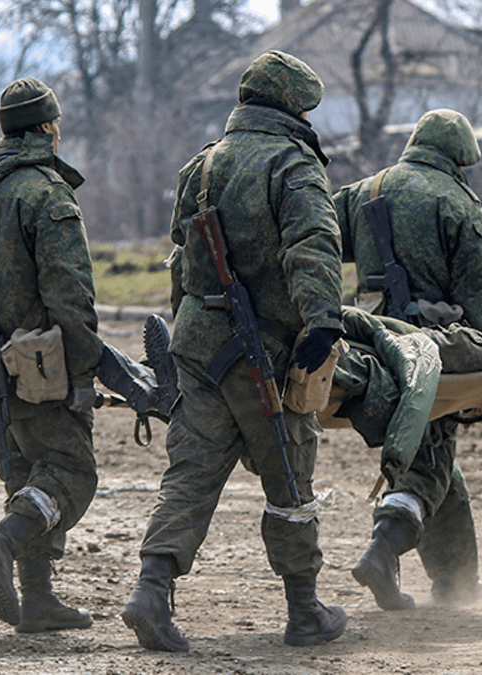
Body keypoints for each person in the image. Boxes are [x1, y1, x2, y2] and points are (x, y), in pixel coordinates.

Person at [120, 51, 347, 652]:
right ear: (292, 106)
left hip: (197, 342)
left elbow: (181, 258)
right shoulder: (293, 164)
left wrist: (184, 330)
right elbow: (314, 245)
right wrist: (323, 323)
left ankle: (151, 589)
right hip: (262, 351)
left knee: (191, 472)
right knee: (289, 472)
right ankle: (304, 611)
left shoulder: (199, 166)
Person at [0, 78, 102, 633]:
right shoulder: (45, 193)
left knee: (26, 479)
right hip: (40, 368)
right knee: (71, 473)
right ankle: (0, 544)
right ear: (49, 127)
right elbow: (70, 295)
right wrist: (83, 372)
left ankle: (38, 599)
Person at [332, 109, 482, 610]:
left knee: (434, 457)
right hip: (429, 356)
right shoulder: (460, 207)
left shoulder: (363, 193)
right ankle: (383, 546)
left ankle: (457, 585)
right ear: (459, 158)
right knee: (430, 457)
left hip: (367, 348)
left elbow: (313, 243)